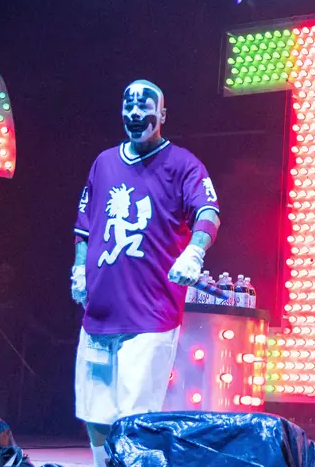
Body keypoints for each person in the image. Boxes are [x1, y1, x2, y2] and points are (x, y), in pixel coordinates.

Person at [70, 80, 221, 467]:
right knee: (95, 414)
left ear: (162, 115)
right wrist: (79, 269)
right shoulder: (103, 162)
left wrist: (194, 252)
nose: (136, 115)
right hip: (99, 314)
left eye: (145, 108)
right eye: (129, 107)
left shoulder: (184, 164)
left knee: (136, 420)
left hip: (150, 317)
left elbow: (208, 211)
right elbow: (85, 225)